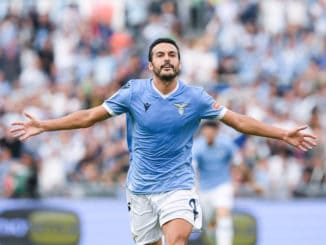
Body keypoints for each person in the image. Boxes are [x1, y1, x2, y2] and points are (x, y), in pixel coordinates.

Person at [10, 37, 317, 245]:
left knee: (178, 240)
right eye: (160, 55)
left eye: (172, 55)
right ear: (150, 65)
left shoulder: (196, 97)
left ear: (179, 63)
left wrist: (282, 133)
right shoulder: (133, 92)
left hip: (179, 186)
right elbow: (89, 117)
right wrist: (44, 125)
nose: (167, 59)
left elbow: (238, 121)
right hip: (140, 188)